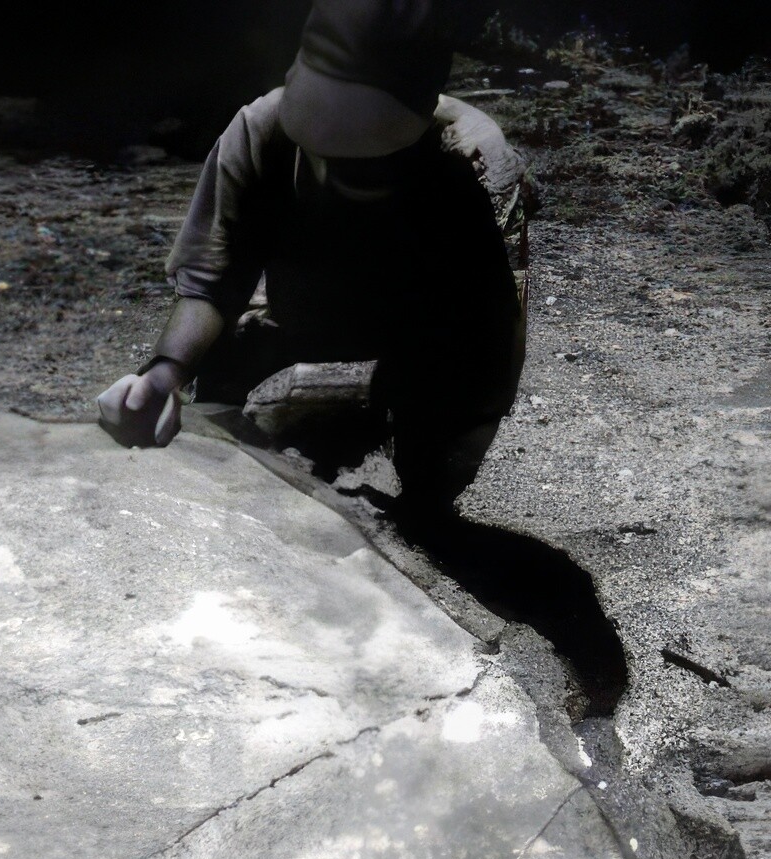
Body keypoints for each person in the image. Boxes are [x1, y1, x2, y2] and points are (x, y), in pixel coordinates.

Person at [97, 0, 527, 526]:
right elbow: (212, 282)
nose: (338, 160)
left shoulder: (473, 163)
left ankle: (422, 491)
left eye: (364, 149)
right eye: (323, 136)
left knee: (434, 462)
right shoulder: (259, 130)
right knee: (226, 386)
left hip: (421, 327)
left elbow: (488, 341)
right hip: (298, 309)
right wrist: (164, 374)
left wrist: (434, 470)